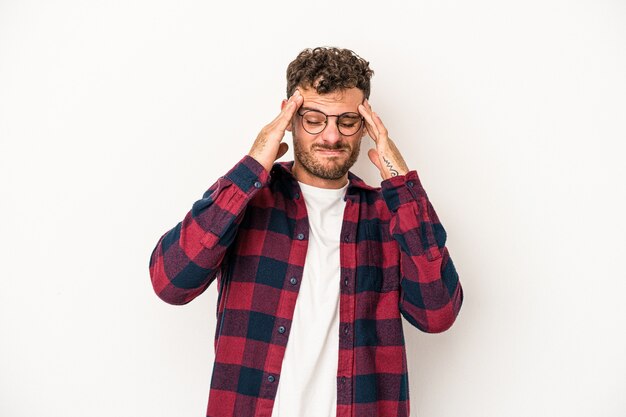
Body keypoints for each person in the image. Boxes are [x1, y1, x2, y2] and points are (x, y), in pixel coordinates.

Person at [149, 46, 463, 417]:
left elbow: (437, 314)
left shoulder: (388, 216)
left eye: (347, 121)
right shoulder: (248, 202)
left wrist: (402, 183)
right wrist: (252, 166)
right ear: (290, 116)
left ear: (365, 125)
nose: (331, 137)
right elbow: (170, 282)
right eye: (314, 118)